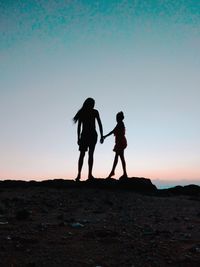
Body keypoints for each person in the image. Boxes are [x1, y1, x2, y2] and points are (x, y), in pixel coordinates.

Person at [73, 97, 104, 181]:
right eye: (93, 104)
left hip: (89, 135)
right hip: (88, 135)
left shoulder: (91, 112)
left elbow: (100, 124)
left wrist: (101, 135)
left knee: (86, 155)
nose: (94, 105)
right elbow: (79, 126)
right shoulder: (89, 112)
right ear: (89, 104)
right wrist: (78, 137)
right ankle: (81, 174)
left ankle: (87, 174)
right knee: (85, 155)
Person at [103, 111, 128, 179]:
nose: (116, 119)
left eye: (117, 117)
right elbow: (113, 131)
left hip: (120, 142)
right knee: (119, 158)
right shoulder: (119, 124)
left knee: (119, 158)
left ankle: (115, 172)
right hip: (120, 142)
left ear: (119, 118)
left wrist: (105, 136)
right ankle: (120, 172)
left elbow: (112, 131)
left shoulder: (120, 124)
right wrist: (105, 136)